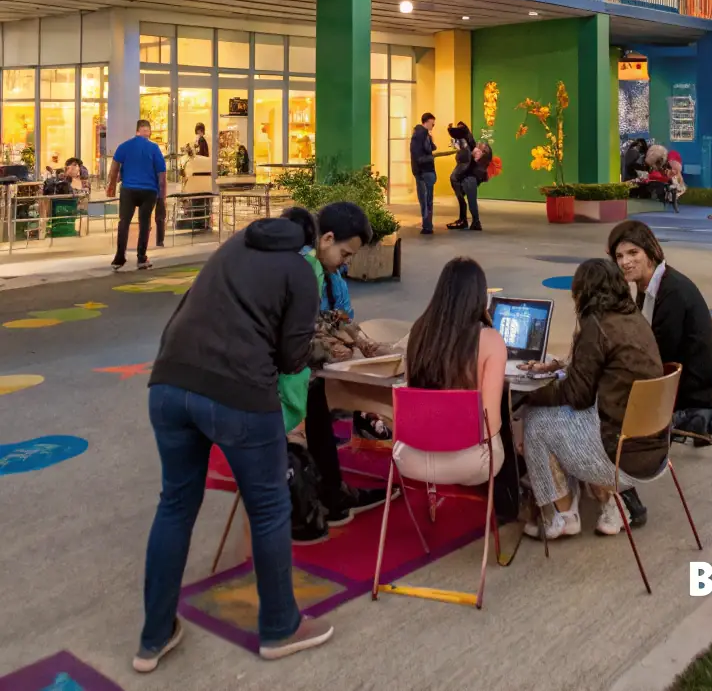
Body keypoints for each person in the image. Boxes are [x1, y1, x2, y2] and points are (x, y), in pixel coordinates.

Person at [137, 207, 333, 670]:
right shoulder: (299, 270)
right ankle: (281, 626)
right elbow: (290, 359)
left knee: (176, 505)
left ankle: (153, 636)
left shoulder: (229, 250)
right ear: (309, 242)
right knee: (268, 507)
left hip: (168, 384)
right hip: (239, 394)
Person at [520, 258, 668, 541]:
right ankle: (595, 504)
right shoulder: (634, 319)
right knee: (563, 420)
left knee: (536, 421)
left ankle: (563, 515)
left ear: (584, 292)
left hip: (619, 454)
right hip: (654, 448)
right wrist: (561, 370)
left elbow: (577, 396)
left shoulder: (597, 325)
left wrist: (530, 395)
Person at [277, 203, 390, 540]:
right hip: (270, 379)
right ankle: (308, 506)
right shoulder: (304, 268)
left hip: (294, 376)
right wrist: (329, 347)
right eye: (345, 252)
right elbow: (294, 335)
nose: (346, 261)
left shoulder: (318, 269)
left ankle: (329, 494)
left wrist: (357, 340)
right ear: (325, 238)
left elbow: (327, 320)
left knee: (317, 412)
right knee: (294, 439)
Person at [608, 221, 712, 526]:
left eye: (633, 252)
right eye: (619, 256)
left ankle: (623, 492)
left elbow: (657, 356)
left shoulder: (671, 291)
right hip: (682, 377)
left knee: (606, 407)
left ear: (651, 253)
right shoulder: (653, 285)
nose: (626, 261)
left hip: (687, 390)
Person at [392, 257, 507, 487]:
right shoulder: (491, 341)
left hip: (410, 456)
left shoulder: (418, 331)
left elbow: (412, 392)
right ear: (480, 296)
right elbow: (490, 422)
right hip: (470, 461)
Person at [106, 119, 167, 271]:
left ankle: (119, 258)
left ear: (137, 130)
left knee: (124, 222)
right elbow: (162, 176)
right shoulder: (154, 148)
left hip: (128, 190)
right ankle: (141, 258)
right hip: (149, 191)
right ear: (148, 131)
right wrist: (162, 197)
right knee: (145, 223)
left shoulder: (124, 146)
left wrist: (111, 186)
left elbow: (114, 169)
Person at [410, 112, 438, 234]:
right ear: (426, 122)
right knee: (426, 200)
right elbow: (417, 156)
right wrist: (430, 158)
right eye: (432, 123)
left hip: (425, 171)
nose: (434, 125)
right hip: (423, 171)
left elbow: (432, 148)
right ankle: (427, 226)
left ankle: (428, 225)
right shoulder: (419, 135)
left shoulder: (424, 135)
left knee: (427, 199)